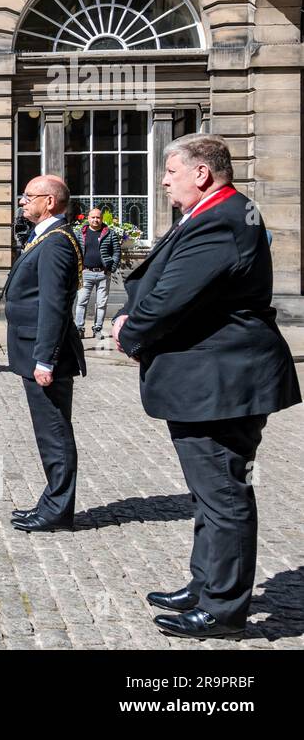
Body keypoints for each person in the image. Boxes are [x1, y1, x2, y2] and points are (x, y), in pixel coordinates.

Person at [113, 135, 300, 640]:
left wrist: (129, 331)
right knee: (208, 492)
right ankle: (206, 583)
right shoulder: (219, 211)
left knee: (222, 492)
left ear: (202, 173)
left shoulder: (221, 218)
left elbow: (172, 296)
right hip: (213, 377)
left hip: (220, 380)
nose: (164, 180)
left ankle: (222, 607)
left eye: (171, 172)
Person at [6, 175, 85, 533]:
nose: (22, 201)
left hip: (43, 352)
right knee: (48, 431)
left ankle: (58, 508)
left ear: (49, 202)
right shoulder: (45, 237)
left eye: (28, 196)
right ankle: (53, 499)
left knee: (54, 432)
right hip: (32, 347)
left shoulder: (56, 243)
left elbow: (53, 305)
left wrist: (45, 359)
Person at [74, 206, 120, 339]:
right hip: (85, 273)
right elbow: (74, 251)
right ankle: (79, 328)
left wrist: (112, 267)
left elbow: (116, 251)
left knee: (101, 303)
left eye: (98, 217)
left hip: (103, 273)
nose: (95, 220)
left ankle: (98, 329)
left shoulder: (109, 233)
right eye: (93, 217)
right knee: (81, 301)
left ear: (102, 219)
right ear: (88, 218)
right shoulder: (80, 233)